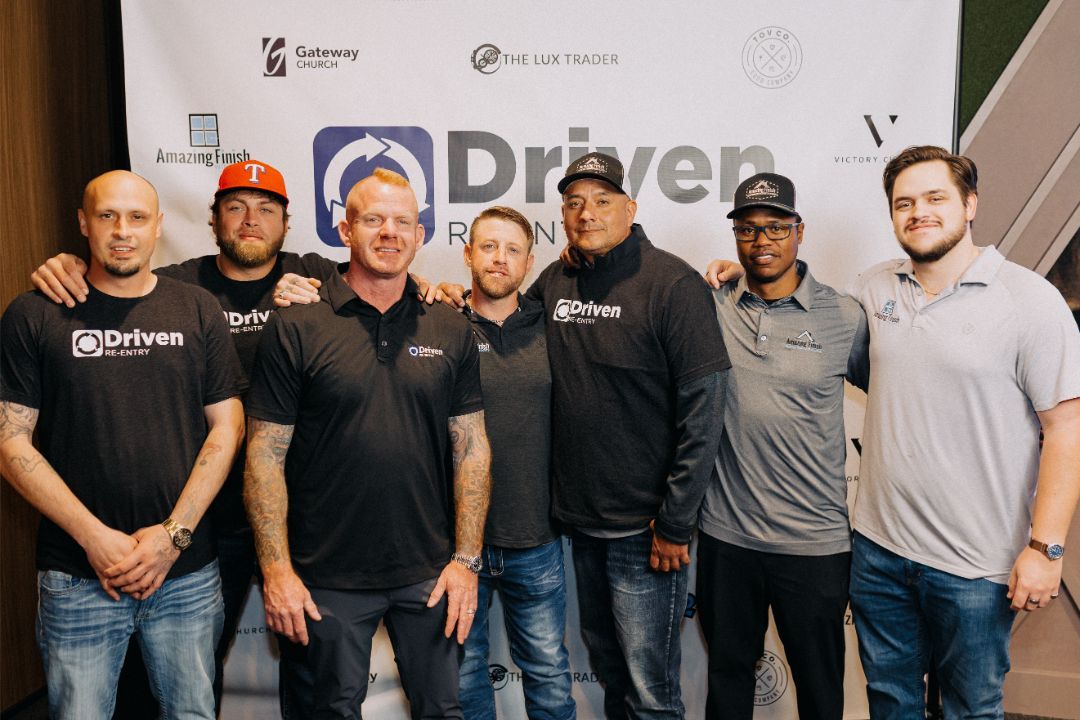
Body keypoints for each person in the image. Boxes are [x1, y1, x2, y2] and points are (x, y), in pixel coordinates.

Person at [28, 159, 335, 717]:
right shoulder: (181, 286)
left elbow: (388, 287)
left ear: (286, 223)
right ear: (212, 219)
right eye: (235, 208)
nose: (250, 220)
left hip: (297, 515)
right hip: (204, 520)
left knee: (312, 667)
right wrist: (67, 265)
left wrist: (435, 290)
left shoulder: (315, 275)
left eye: (266, 209)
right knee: (179, 682)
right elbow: (111, 278)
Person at [243, 167, 492, 719]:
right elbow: (264, 453)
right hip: (323, 577)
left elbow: (471, 446)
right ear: (344, 230)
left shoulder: (449, 327)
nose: (389, 232)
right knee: (327, 712)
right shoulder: (297, 324)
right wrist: (277, 571)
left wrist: (466, 561)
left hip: (429, 572)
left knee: (443, 711)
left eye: (403, 221)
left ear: (421, 235)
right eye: (373, 219)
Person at [0, 170, 246, 719]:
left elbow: (227, 427)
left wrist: (172, 536)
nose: (122, 231)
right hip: (78, 574)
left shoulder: (198, 309)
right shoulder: (34, 314)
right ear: (83, 223)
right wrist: (95, 539)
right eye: (107, 215)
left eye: (137, 217)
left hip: (185, 572)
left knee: (192, 714)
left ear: (158, 226)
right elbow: (10, 440)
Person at [845, 146, 1080, 719]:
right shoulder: (875, 289)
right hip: (878, 552)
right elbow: (809, 319)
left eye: (934, 198)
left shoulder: (1030, 301)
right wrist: (739, 277)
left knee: (971, 709)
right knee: (890, 702)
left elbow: (1067, 429)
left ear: (969, 205)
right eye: (904, 203)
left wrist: (1046, 550)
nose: (918, 211)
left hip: (976, 568)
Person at [528, 153, 729, 718]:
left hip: (647, 533)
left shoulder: (672, 283)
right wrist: (439, 294)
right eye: (574, 203)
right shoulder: (556, 277)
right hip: (580, 522)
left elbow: (705, 408)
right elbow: (500, 325)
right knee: (611, 671)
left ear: (631, 208)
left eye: (602, 200)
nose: (586, 213)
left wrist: (674, 523)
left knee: (650, 692)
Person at [696, 172, 867, 720]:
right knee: (726, 683)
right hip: (728, 538)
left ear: (799, 231)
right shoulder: (714, 304)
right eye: (747, 231)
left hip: (814, 544)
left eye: (775, 228)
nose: (761, 241)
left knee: (821, 691)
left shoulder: (844, 318)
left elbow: (899, 396)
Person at [454, 206, 575, 719]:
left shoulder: (557, 329)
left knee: (548, 674)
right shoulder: (440, 327)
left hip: (536, 540)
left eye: (512, 250)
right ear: (467, 254)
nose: (499, 259)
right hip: (456, 546)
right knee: (463, 676)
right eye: (488, 247)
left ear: (529, 263)